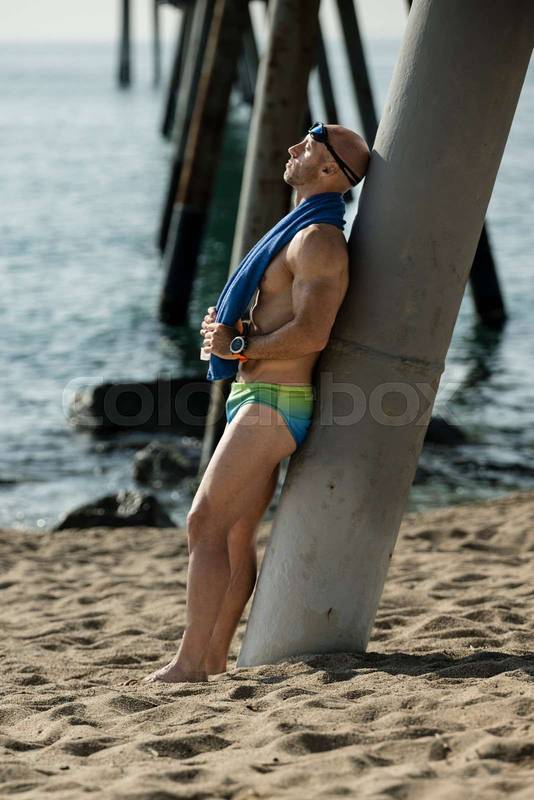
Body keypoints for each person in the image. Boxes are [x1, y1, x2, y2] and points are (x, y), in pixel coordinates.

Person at [144, 123, 371, 683]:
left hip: (275, 401)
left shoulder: (317, 240)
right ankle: (214, 659)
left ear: (329, 171)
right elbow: (270, 314)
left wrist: (239, 343)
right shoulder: (295, 231)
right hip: (254, 394)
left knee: (203, 522)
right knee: (234, 532)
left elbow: (313, 332)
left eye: (311, 143)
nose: (295, 146)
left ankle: (189, 662)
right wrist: (228, 335)